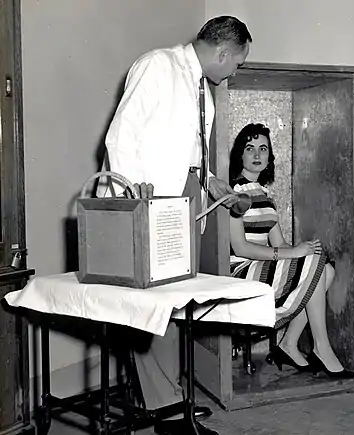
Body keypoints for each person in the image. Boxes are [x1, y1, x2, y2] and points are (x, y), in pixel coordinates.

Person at [94, 16, 253, 418]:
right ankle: (164, 406)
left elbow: (184, 155)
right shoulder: (157, 66)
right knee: (154, 305)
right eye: (237, 62)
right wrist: (134, 205)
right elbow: (121, 138)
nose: (235, 70)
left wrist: (213, 182)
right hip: (148, 204)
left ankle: (170, 395)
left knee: (176, 304)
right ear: (223, 52)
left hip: (184, 202)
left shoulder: (203, 89)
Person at [228, 123, 354, 379]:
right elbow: (240, 247)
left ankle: (288, 343)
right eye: (249, 148)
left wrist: (304, 250)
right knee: (314, 265)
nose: (256, 155)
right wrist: (295, 254)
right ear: (239, 155)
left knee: (325, 270)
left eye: (263, 149)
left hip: (262, 266)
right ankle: (321, 347)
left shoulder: (264, 196)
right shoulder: (234, 193)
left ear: (269, 156)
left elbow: (280, 243)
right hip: (239, 271)